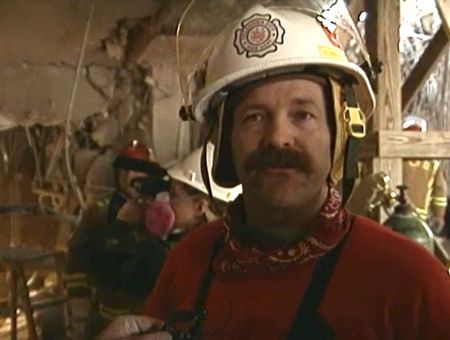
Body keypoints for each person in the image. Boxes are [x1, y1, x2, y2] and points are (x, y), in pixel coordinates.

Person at [99, 3, 450, 339]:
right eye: (254, 117)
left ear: (339, 136)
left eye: (302, 115)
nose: (278, 138)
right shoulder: (190, 261)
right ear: (223, 144)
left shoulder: (411, 282)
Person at [65, 140, 170, 338]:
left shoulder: (168, 214)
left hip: (155, 322)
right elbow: (78, 262)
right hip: (108, 320)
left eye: (137, 170)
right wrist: (79, 314)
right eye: (124, 170)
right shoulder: (99, 213)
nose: (129, 176)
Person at [165, 142, 241, 246]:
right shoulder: (228, 243)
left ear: (199, 207)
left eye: (174, 195)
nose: (167, 202)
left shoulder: (199, 251)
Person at [402, 115, 448, 234]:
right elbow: (440, 191)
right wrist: (439, 215)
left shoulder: (395, 159)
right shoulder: (432, 162)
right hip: (417, 220)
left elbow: (440, 192)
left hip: (397, 216)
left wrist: (438, 216)